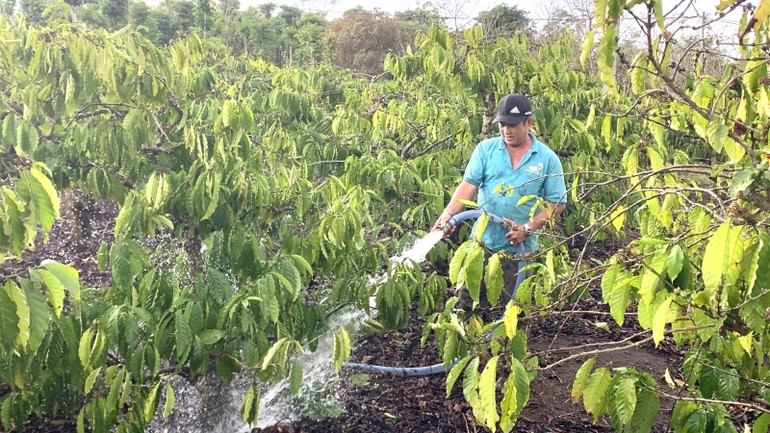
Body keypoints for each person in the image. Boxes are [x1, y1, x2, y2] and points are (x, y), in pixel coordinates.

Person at [431, 93, 567, 305]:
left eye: (512, 125)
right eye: (502, 124)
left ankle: (503, 338)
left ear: (529, 122)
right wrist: (448, 214)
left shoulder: (547, 159)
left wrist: (527, 228)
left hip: (521, 250)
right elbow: (468, 185)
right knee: (468, 301)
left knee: (516, 308)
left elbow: (557, 203)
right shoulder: (486, 150)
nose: (506, 130)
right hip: (482, 243)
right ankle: (470, 337)